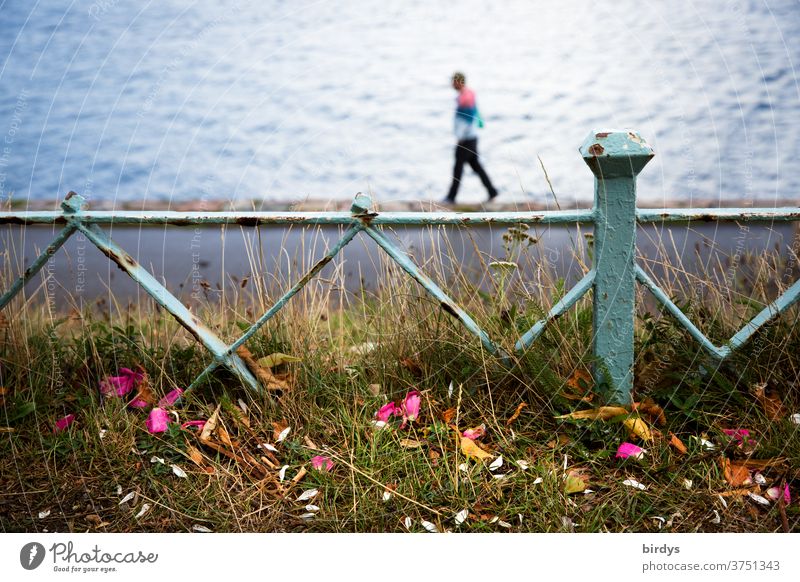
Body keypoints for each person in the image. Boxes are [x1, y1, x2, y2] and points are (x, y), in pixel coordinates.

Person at [444, 72, 498, 204]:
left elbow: (466, 119)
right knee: (476, 166)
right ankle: (492, 191)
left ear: (459, 82)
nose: (452, 83)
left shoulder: (465, 98)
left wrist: (461, 137)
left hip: (466, 139)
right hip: (472, 137)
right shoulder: (469, 94)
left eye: (453, 81)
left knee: (458, 167)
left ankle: (451, 197)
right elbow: (475, 115)